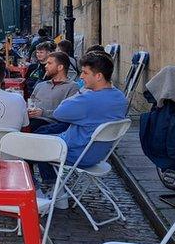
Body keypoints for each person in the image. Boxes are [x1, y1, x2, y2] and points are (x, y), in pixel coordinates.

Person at [34, 52, 127, 185]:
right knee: (41, 134)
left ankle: (49, 187)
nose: (81, 76)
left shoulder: (88, 99)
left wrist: (82, 91)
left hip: (75, 153)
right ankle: (53, 185)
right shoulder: (119, 97)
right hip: (98, 154)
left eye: (85, 73)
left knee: (28, 147)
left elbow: (59, 113)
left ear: (99, 76)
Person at [28, 51, 80, 130]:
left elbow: (69, 112)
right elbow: (31, 103)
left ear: (60, 67)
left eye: (49, 63)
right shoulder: (40, 85)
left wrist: (43, 113)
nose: (46, 66)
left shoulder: (72, 87)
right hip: (30, 121)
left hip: (51, 125)